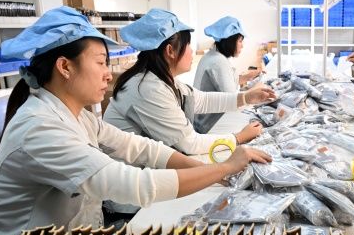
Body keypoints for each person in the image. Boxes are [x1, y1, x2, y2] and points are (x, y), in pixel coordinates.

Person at [0, 6, 271, 235]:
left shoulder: (77, 117)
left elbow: (141, 148)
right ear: (65, 67)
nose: (108, 74)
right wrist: (225, 167)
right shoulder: (40, 128)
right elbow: (135, 183)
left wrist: (209, 170)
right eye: (100, 62)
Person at [104, 9, 274, 155]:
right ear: (170, 51)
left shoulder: (161, 79)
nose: (192, 51)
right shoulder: (148, 88)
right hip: (129, 175)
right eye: (188, 45)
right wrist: (239, 138)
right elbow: (190, 144)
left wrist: (246, 97)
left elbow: (202, 100)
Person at [193, 16, 262, 133]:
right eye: (240, 41)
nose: (242, 45)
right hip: (208, 126)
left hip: (204, 120)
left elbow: (225, 82)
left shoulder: (212, 55)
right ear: (230, 41)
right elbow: (233, 99)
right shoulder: (218, 62)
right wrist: (256, 89)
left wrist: (247, 77)